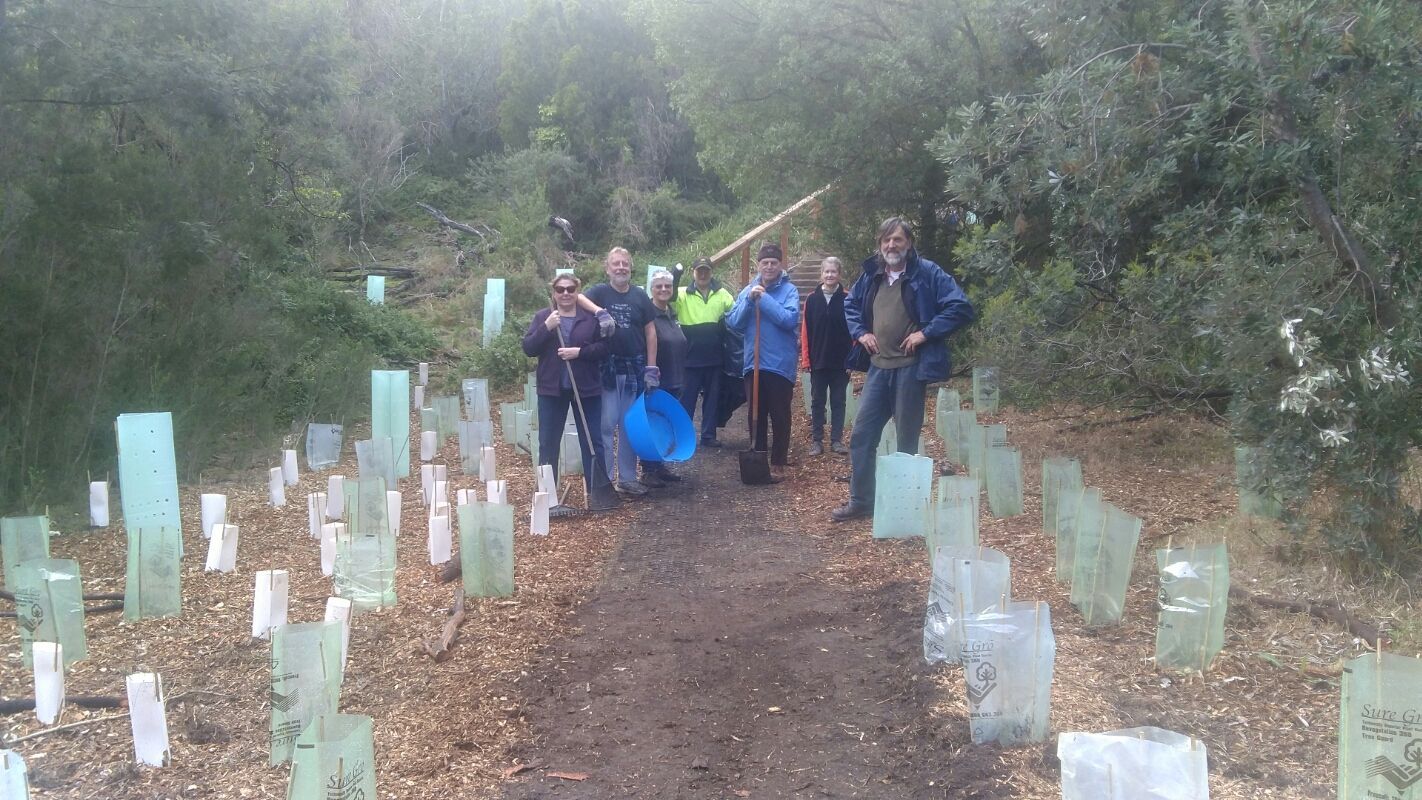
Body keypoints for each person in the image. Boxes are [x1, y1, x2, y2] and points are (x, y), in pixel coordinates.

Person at [831, 217, 974, 522]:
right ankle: (862, 501)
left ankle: (905, 510)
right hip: (878, 369)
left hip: (910, 370)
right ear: (879, 244)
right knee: (862, 436)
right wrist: (861, 333)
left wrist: (926, 333)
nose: (891, 245)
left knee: (906, 442)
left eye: (897, 239)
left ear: (909, 242)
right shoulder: (872, 275)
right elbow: (850, 305)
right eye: (886, 240)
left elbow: (960, 307)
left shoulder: (927, 272)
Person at [521, 274, 611, 516]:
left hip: (586, 389)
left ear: (577, 291)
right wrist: (547, 328)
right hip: (552, 390)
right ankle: (547, 498)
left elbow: (605, 348)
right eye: (560, 289)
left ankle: (598, 493)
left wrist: (579, 352)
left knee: (592, 441)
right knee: (548, 443)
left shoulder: (590, 318)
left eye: (570, 289)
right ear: (554, 292)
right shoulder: (544, 316)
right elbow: (529, 348)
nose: (565, 293)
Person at [582, 247, 660, 496]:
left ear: (631, 267)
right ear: (607, 268)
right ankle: (606, 480)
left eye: (625, 263)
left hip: (634, 369)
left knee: (629, 425)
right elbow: (578, 298)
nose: (621, 267)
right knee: (606, 424)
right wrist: (599, 311)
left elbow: (650, 332)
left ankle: (627, 478)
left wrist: (651, 367)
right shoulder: (599, 292)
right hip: (607, 368)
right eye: (615, 263)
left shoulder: (639, 295)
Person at [725, 242, 800, 479]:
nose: (769, 267)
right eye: (765, 263)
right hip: (753, 363)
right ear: (758, 265)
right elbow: (733, 323)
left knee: (780, 414)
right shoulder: (748, 291)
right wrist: (749, 300)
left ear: (780, 265)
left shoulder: (789, 291)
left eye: (773, 263)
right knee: (755, 414)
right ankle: (758, 458)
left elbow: (788, 320)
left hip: (779, 364)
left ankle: (778, 461)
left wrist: (764, 300)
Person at [673, 257, 735, 447]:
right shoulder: (682, 293)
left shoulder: (723, 294)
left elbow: (736, 314)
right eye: (699, 270)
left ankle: (708, 435)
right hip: (689, 358)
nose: (702, 274)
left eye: (706, 270)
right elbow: (668, 299)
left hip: (715, 357)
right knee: (687, 400)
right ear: (693, 273)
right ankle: (683, 436)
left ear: (711, 272)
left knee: (712, 399)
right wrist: (675, 275)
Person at [640, 268, 689, 486]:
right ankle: (648, 470)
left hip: (676, 377)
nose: (663, 289)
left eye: (667, 286)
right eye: (658, 286)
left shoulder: (671, 313)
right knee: (652, 423)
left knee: (664, 423)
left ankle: (659, 465)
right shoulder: (648, 315)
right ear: (651, 289)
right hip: (657, 379)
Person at [800, 256, 853, 456]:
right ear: (821, 274)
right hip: (818, 360)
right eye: (827, 272)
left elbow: (854, 331)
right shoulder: (812, 299)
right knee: (817, 402)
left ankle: (837, 440)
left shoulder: (848, 299)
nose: (830, 275)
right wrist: (806, 359)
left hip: (841, 362)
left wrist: (852, 359)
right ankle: (817, 440)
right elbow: (806, 331)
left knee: (839, 402)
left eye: (834, 272)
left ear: (839, 274)